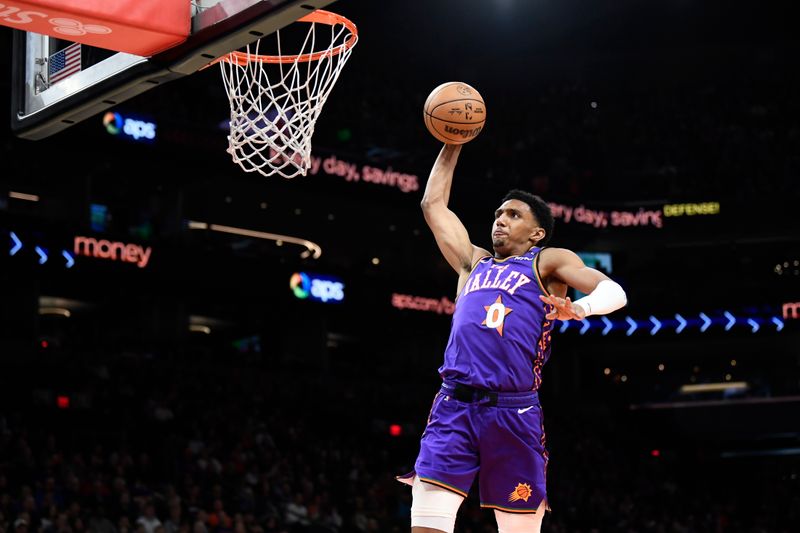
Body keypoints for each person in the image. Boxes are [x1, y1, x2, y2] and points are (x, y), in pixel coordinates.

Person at [398, 144, 627, 533]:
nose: (500, 220)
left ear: (537, 232)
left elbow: (615, 292)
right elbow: (432, 205)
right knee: (426, 526)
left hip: (513, 413)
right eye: (498, 214)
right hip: (453, 406)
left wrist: (582, 309)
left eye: (513, 215)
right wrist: (453, 142)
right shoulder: (473, 262)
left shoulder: (547, 261)